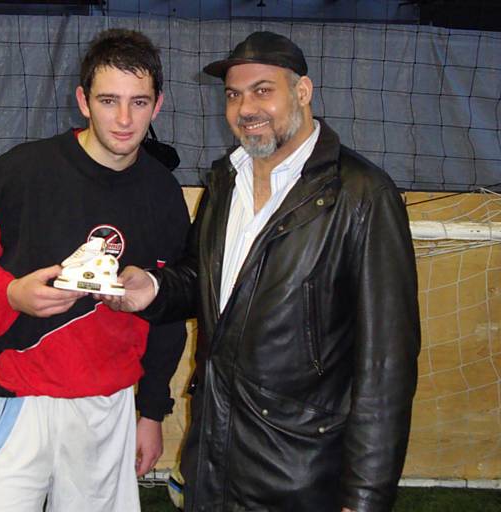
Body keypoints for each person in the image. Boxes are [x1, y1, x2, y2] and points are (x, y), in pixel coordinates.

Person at [106, 31, 421, 512]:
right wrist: (152, 287)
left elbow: (386, 367)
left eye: (262, 90)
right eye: (233, 94)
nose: (245, 107)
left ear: (302, 92)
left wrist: (365, 499)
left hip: (302, 471)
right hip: (214, 455)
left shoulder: (361, 196)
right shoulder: (226, 179)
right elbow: (207, 282)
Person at [0, 28, 190, 512]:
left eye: (139, 102)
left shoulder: (164, 196)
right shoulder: (21, 172)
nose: (124, 118)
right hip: (19, 396)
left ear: (158, 106)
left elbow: (169, 313)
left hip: (106, 403)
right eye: (109, 100)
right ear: (83, 100)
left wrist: (152, 410)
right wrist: (9, 295)